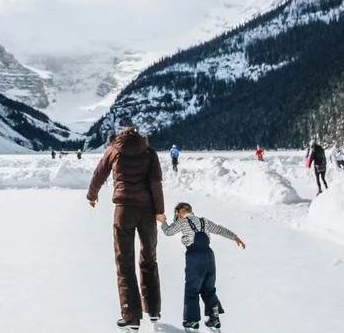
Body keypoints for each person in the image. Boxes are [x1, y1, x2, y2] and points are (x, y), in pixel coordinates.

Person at [87, 126, 165, 330]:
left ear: (120, 136)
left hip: (124, 211)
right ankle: (154, 310)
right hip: (147, 211)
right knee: (149, 258)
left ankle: (131, 316)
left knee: (125, 262)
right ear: (139, 137)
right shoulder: (149, 152)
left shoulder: (114, 150)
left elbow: (99, 173)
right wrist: (160, 210)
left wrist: (92, 195)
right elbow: (156, 183)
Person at [161, 202, 246, 330]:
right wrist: (235, 238)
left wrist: (162, 221)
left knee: (192, 289)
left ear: (179, 213)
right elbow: (219, 229)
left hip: (195, 257)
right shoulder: (204, 221)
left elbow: (168, 232)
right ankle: (214, 317)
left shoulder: (182, 221)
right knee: (209, 288)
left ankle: (192, 321)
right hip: (209, 257)